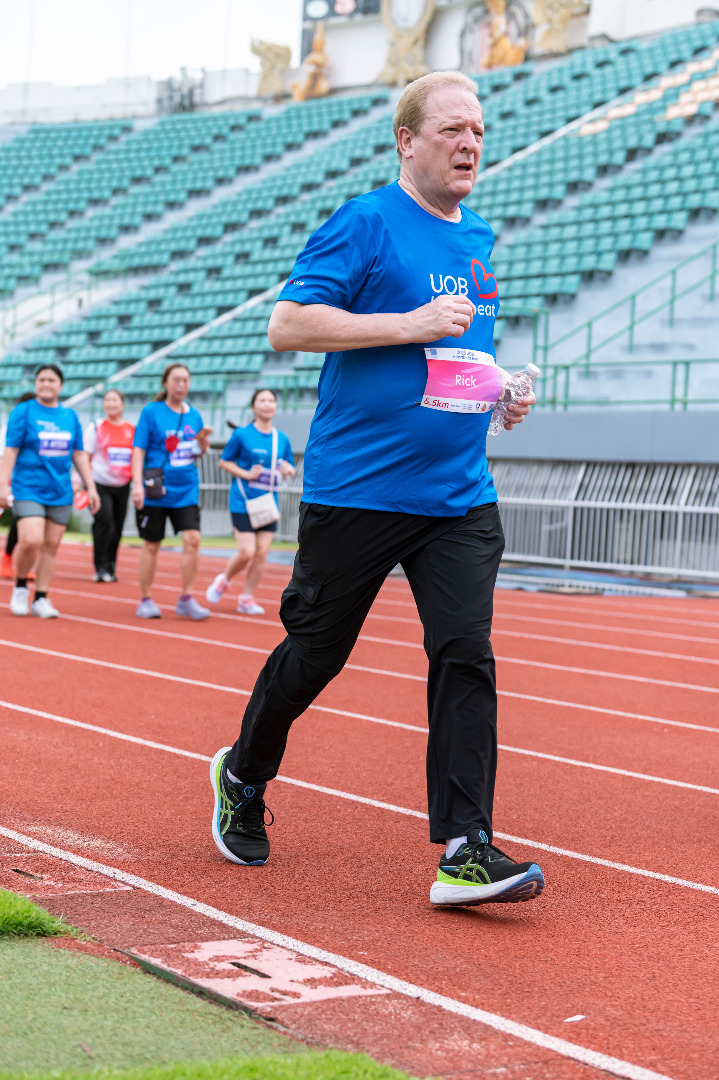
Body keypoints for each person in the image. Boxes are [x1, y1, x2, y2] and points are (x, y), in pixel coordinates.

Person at [210, 71, 546, 907]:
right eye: (451, 129)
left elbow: (454, 355)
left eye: (477, 130)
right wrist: (405, 325)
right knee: (316, 655)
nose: (469, 143)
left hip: (457, 495)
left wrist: (498, 394)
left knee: (464, 652)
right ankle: (243, 774)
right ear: (406, 141)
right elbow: (288, 325)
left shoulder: (479, 237)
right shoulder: (364, 221)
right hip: (358, 490)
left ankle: (466, 848)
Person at [0, 365, 100, 618]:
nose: (46, 384)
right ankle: (20, 587)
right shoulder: (24, 411)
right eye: (41, 379)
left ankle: (41, 598)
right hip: (28, 488)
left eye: (51, 380)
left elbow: (79, 454)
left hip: (60, 491)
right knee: (31, 539)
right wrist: (2, 484)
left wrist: (91, 487)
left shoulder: (70, 416)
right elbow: (10, 450)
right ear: (36, 383)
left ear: (60, 385)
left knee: (51, 546)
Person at [131, 362, 211, 620]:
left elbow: (194, 451)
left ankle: (186, 598)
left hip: (186, 488)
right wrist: (137, 485)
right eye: (176, 380)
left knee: (193, 539)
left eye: (186, 380)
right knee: (152, 543)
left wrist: (202, 446)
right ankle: (145, 599)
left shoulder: (194, 415)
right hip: (156, 488)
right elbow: (138, 450)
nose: (181, 385)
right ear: (165, 383)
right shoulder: (151, 412)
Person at [206, 388, 295, 615]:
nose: (267, 404)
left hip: (268, 502)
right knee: (247, 551)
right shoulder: (242, 435)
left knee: (262, 553)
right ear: (253, 406)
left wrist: (287, 469)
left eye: (271, 400)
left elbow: (289, 467)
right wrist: (246, 474)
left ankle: (247, 598)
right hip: (243, 500)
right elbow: (224, 462)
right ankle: (224, 580)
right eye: (262, 400)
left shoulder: (281, 439)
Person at [84, 388, 135, 582]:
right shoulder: (96, 427)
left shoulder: (131, 429)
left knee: (117, 526)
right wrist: (82, 483)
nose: (110, 404)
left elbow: (136, 457)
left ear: (122, 404)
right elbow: (85, 456)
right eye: (107, 400)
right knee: (104, 521)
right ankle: (100, 566)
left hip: (123, 484)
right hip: (100, 483)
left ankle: (111, 566)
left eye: (114, 400)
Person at [1, 392, 36, 580]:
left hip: (30, 484)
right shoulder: (9, 428)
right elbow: (3, 456)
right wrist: (4, 482)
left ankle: (19, 562)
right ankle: (7, 558)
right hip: (10, 481)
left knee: (23, 521)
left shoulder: (40, 429)